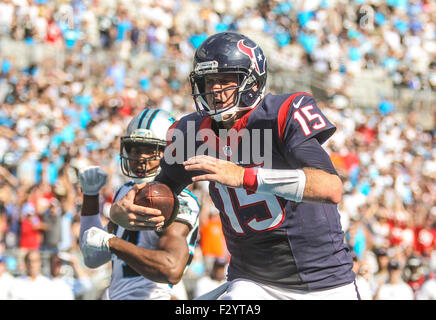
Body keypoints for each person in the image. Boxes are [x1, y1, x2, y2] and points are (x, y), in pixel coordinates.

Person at [110, 32, 357, 300]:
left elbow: (330, 187)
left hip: (325, 279)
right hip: (253, 282)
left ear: (251, 80)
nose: (215, 90)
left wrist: (243, 175)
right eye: (208, 81)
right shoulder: (190, 131)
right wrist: (126, 212)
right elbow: (162, 191)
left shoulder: (282, 113)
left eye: (226, 80)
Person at [79, 108, 200, 300]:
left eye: (150, 150)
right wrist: (91, 197)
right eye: (135, 149)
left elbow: (171, 268)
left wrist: (112, 242)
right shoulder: (125, 191)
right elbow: (93, 256)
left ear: (170, 152)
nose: (141, 159)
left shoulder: (177, 198)